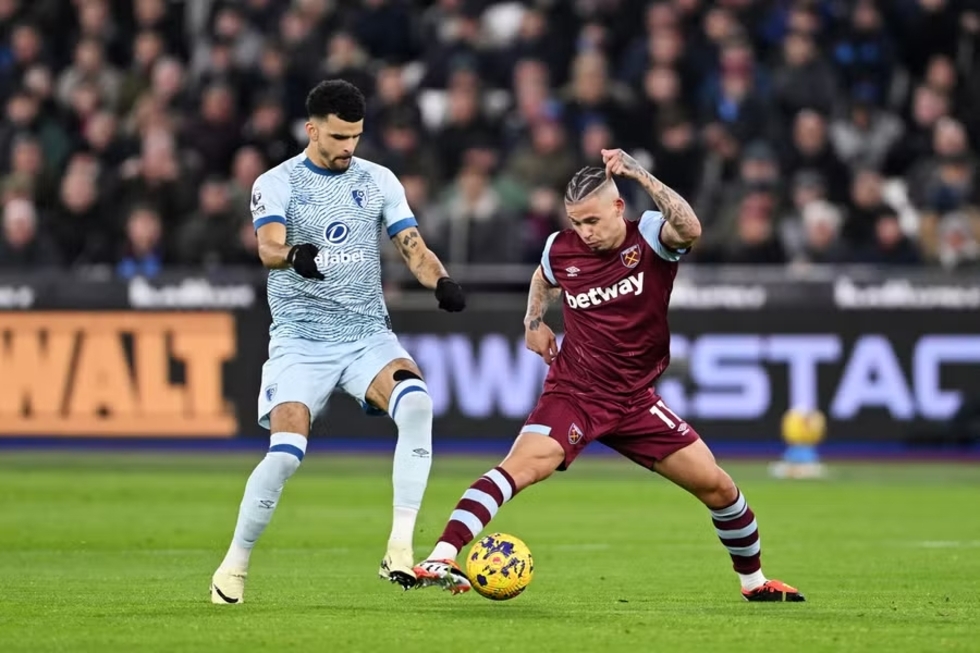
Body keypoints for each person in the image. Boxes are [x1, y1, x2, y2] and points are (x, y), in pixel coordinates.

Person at [411, 149, 805, 602]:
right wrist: (533, 322)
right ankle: (441, 556)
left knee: (717, 486)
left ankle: (754, 584)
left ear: (619, 207)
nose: (585, 232)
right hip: (575, 391)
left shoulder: (651, 237)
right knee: (519, 468)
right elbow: (544, 276)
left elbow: (691, 229)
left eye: (593, 221)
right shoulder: (562, 248)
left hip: (636, 400)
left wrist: (638, 172)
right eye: (577, 222)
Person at [210, 79, 466, 604]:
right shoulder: (277, 182)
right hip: (300, 344)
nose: (349, 147)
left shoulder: (378, 180)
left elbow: (414, 248)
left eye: (356, 136)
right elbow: (267, 246)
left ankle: (399, 549)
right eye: (338, 136)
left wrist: (440, 281)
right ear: (312, 130)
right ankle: (233, 565)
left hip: (366, 337)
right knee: (285, 455)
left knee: (417, 402)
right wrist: (293, 255)